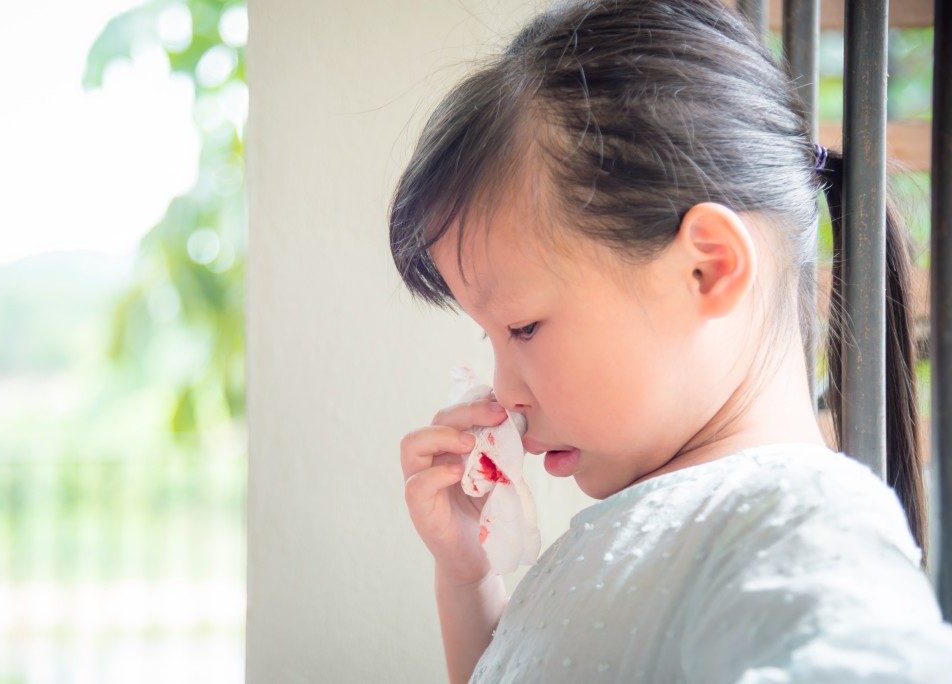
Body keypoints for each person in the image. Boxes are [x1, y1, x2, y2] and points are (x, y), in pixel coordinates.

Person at [390, 0, 952, 681]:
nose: (504, 392)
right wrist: (468, 578)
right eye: (491, 339)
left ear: (706, 268)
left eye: (523, 328)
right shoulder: (644, 532)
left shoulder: (800, 527)